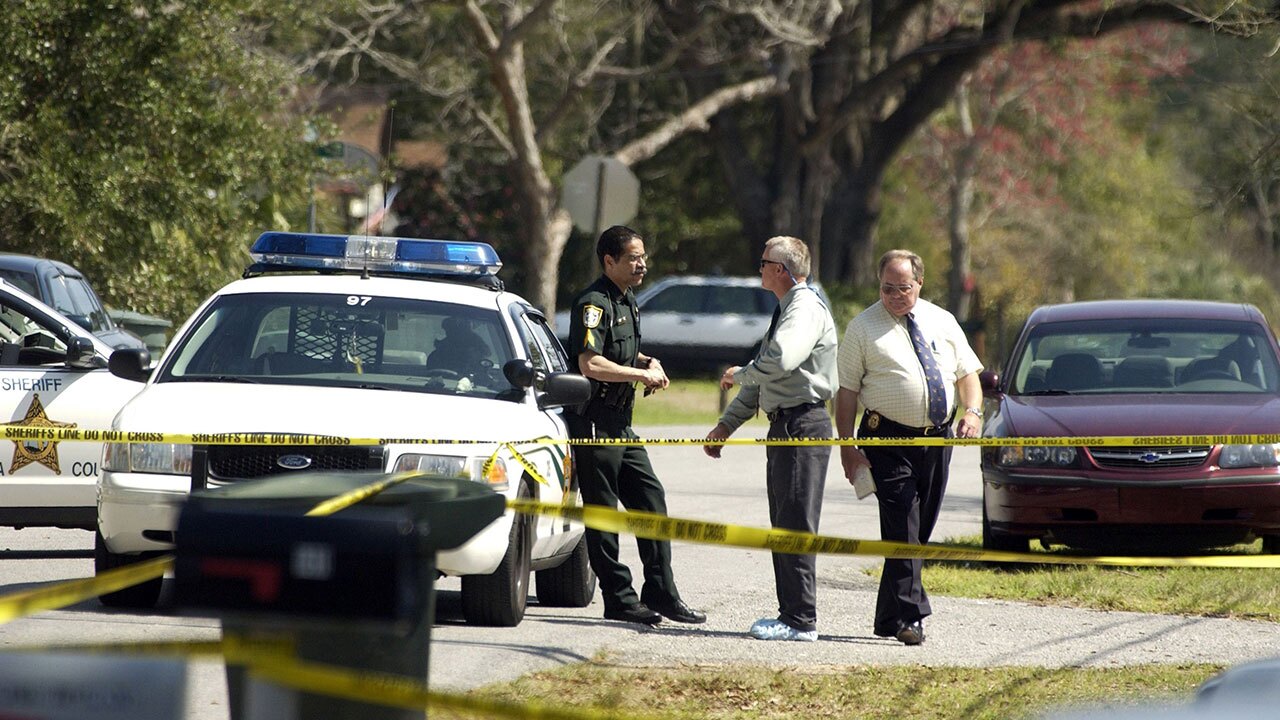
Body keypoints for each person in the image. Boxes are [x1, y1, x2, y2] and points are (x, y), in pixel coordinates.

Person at [835, 249, 983, 646]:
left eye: (903, 288)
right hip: (887, 440)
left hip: (937, 439)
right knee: (902, 523)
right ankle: (910, 615)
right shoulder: (863, 328)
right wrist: (847, 447)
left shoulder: (943, 320)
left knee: (920, 529)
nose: (895, 295)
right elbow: (846, 393)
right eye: (887, 288)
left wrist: (972, 411)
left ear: (920, 282)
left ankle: (887, 616)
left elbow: (968, 373)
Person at [564, 225, 706, 626]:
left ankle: (661, 592)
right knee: (604, 514)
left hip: (622, 426)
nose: (641, 263)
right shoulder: (593, 303)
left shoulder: (627, 300)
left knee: (651, 502)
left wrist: (647, 362)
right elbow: (589, 363)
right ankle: (619, 598)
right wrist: (639, 376)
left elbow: (620, 346)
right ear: (609, 261)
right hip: (595, 422)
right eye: (632, 257)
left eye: (643, 256)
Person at [703, 236, 838, 642]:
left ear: (781, 270)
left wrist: (739, 373)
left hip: (802, 424)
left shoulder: (805, 307)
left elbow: (778, 360)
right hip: (785, 424)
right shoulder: (786, 309)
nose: (758, 269)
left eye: (763, 263)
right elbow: (766, 377)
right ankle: (790, 614)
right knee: (783, 522)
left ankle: (801, 621)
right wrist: (727, 425)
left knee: (795, 522)